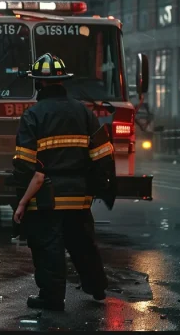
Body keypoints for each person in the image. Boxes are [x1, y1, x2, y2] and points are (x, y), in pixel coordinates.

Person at [11, 53, 114, 312]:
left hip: (45, 198)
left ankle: (52, 297)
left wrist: (21, 200)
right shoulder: (84, 112)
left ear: (38, 84)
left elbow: (25, 163)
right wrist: (99, 186)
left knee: (48, 248)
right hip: (79, 197)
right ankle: (97, 287)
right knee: (83, 245)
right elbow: (102, 154)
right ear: (62, 82)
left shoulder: (32, 116)